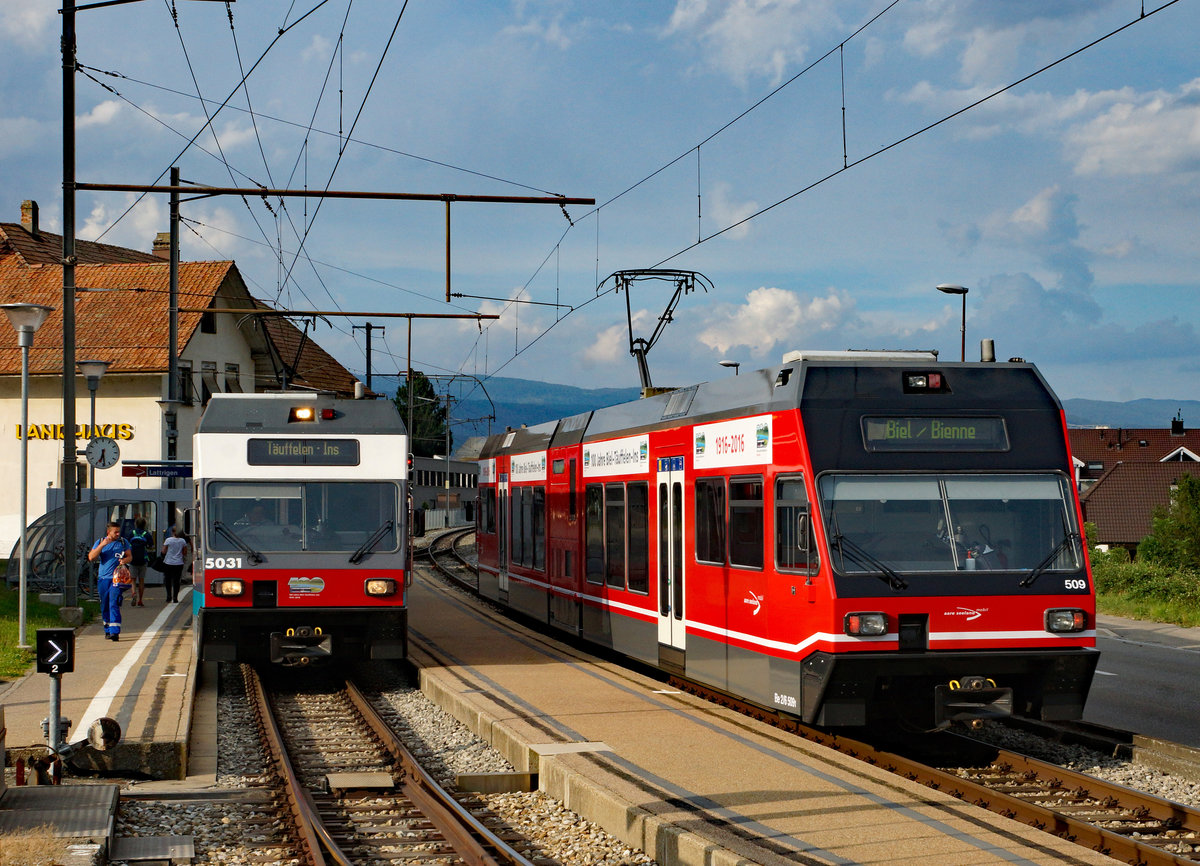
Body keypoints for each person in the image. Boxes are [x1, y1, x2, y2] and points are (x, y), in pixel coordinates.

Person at [89, 520, 132, 641]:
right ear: (109, 532)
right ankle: (107, 629)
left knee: (114, 603)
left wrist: (125, 560)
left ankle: (115, 632)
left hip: (116, 579)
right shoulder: (100, 541)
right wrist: (102, 545)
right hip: (103, 578)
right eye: (115, 532)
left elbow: (129, 556)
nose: (118, 534)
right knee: (105, 604)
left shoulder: (123, 542)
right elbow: (91, 557)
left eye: (119, 532)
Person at [128, 516, 154, 607]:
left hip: (132, 559)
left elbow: (127, 544)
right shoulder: (146, 534)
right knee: (141, 580)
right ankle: (140, 600)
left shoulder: (132, 533)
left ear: (136, 524)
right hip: (143, 559)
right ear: (145, 524)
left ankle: (134, 593)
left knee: (133, 580)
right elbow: (151, 546)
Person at [161, 526, 189, 603]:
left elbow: (163, 551)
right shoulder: (182, 541)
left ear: (172, 532)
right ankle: (175, 597)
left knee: (168, 580)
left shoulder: (168, 540)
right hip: (178, 563)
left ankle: (168, 596)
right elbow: (185, 552)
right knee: (176, 580)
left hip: (168, 562)